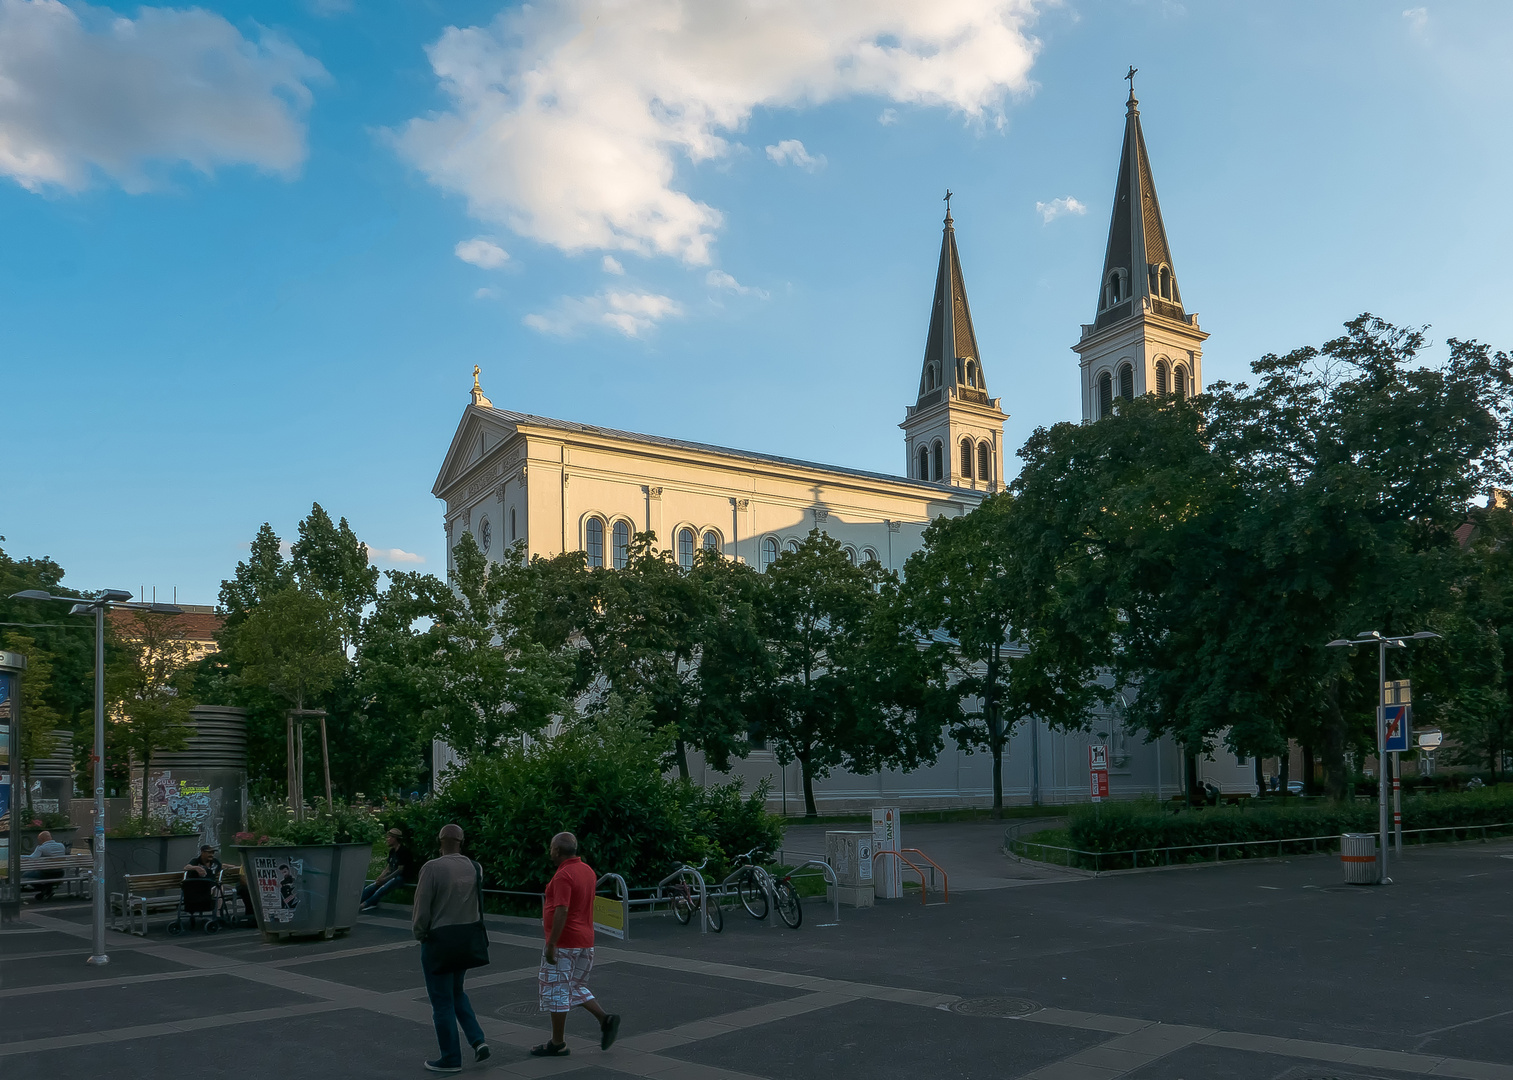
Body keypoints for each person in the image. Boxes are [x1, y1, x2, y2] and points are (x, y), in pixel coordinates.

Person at [532, 831, 620, 1057]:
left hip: (565, 942)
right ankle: (605, 1019)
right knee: (574, 986)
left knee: (557, 991)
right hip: (585, 941)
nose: (549, 851)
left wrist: (552, 944)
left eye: (551, 848)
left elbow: (562, 909)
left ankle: (557, 1043)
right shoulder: (587, 871)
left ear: (558, 850)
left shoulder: (564, 876)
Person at [413, 823, 489, 1074]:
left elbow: (422, 908)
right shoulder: (475, 867)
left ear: (440, 840)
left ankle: (450, 1058)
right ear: (462, 841)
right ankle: (478, 1040)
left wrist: (420, 934)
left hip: (439, 941)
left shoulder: (432, 868)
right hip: (465, 940)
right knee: (457, 992)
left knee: (441, 1001)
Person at [362, 828, 414, 912]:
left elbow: (400, 870)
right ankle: (358, 901)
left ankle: (365, 904)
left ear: (395, 838)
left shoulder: (403, 851)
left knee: (382, 888)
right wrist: (380, 877)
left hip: (400, 877)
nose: (387, 839)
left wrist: (385, 879)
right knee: (371, 886)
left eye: (389, 837)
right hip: (391, 876)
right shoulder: (392, 851)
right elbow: (388, 867)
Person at [22, 830, 67, 900]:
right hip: (60, 872)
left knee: (25, 875)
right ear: (50, 837)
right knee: (46, 874)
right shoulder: (61, 846)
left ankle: (44, 889)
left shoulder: (41, 848)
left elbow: (32, 858)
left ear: (41, 839)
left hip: (47, 873)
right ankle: (48, 889)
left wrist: (19, 856)